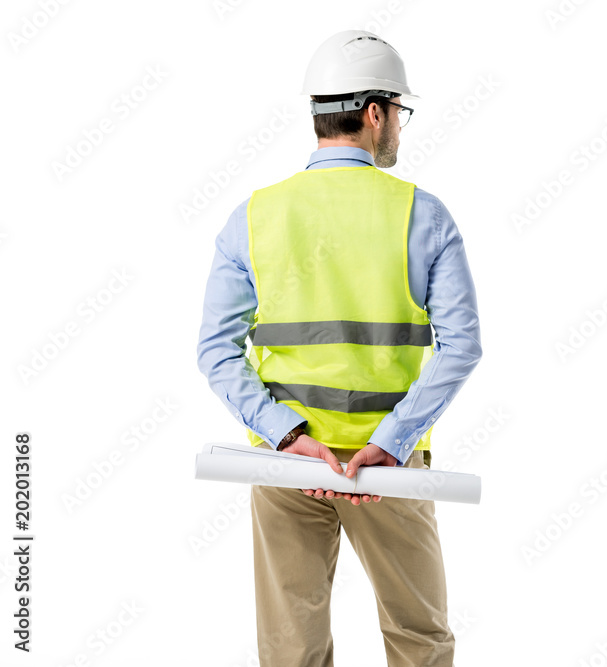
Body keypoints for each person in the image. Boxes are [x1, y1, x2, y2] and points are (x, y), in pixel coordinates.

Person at [195, 29, 482, 667]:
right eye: (399, 113)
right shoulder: (423, 214)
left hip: (284, 468)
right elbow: (461, 345)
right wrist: (393, 440)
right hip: (390, 471)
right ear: (375, 113)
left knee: (290, 650)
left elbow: (216, 350)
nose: (400, 129)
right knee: (420, 640)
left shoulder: (255, 216)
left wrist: (288, 437)